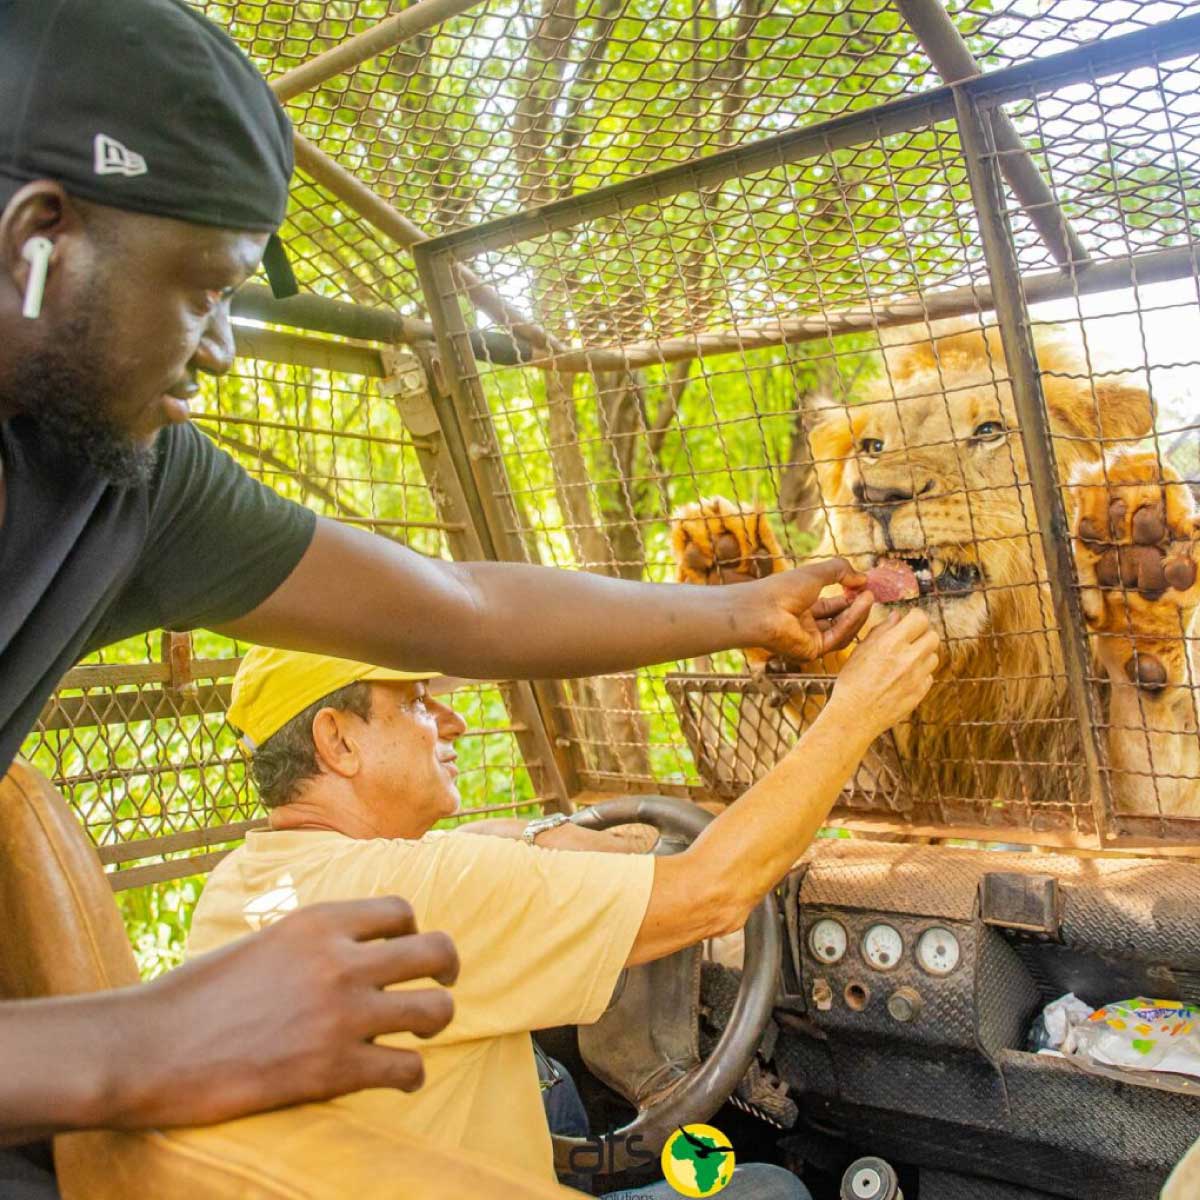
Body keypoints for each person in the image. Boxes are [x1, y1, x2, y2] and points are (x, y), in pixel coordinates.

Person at [0, 0, 878, 1159]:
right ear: (36, 242)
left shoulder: (127, 482)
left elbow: (459, 605)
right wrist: (136, 1042)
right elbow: (709, 892)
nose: (220, 350)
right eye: (206, 291)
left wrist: (740, 611)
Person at [187, 609, 938, 1194]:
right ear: (337, 742)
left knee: (562, 1104)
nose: (454, 721)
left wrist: (548, 837)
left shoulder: (238, 889)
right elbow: (714, 893)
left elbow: (472, 866)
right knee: (768, 1188)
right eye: (417, 703)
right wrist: (856, 712)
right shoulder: (430, 891)